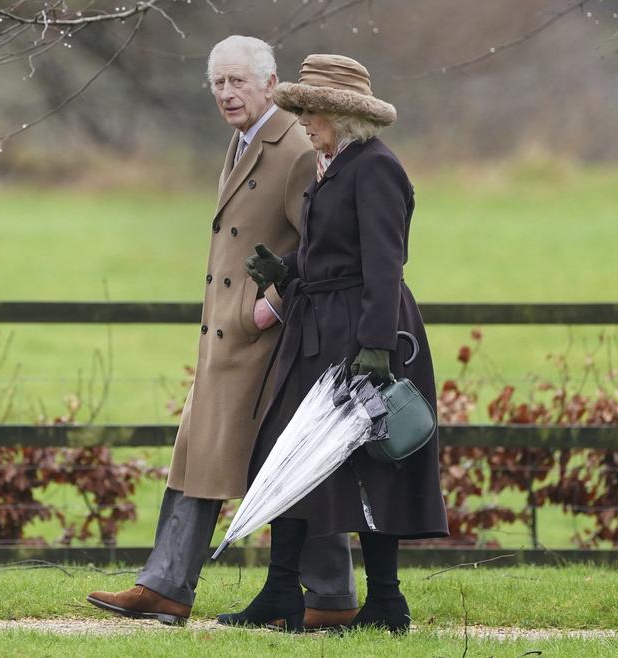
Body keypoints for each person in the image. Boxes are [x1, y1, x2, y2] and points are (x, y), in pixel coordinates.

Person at [86, 37, 359, 629]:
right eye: (218, 83)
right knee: (199, 456)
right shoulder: (242, 141)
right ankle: (168, 586)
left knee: (289, 462)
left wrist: (270, 308)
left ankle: (328, 596)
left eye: (239, 81)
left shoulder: (293, 147)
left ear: (270, 84)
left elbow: (323, 246)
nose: (227, 94)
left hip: (268, 345)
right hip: (226, 340)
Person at [218, 54, 449, 635]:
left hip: (363, 333)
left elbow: (384, 265)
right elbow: (327, 249)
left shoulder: (377, 169)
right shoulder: (334, 165)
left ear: (342, 116)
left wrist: (375, 348)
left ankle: (387, 602)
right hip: (318, 327)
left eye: (311, 112)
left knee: (371, 461)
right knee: (291, 449)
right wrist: (288, 269)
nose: (302, 122)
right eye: (299, 110)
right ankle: (280, 591)